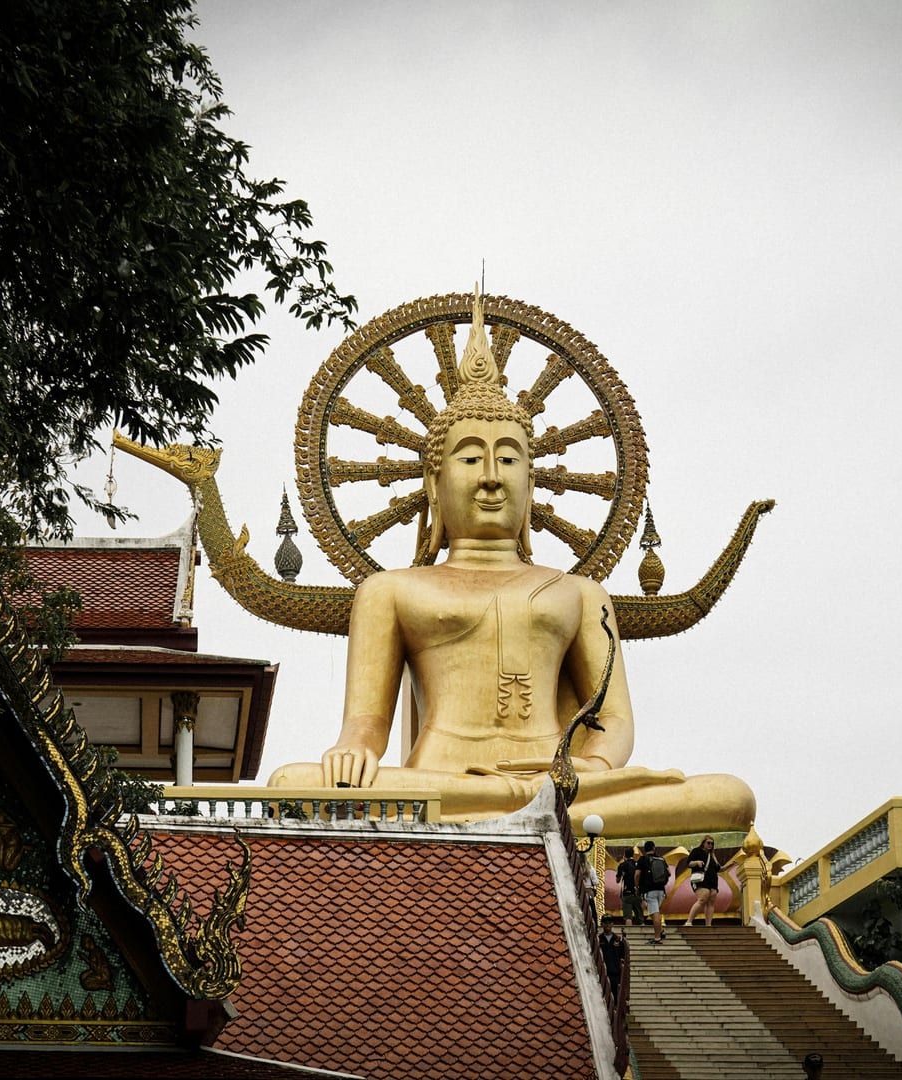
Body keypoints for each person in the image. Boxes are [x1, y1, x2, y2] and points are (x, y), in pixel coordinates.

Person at [266, 288, 756, 837]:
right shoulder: (391, 591)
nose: (491, 475)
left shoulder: (579, 593)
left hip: (563, 785)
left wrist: (591, 768)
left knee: (731, 797)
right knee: (292, 784)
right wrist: (353, 749)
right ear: (434, 481)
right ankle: (516, 811)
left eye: (509, 458)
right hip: (443, 781)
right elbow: (366, 721)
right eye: (471, 457)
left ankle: (527, 809)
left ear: (531, 479)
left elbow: (613, 720)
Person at [683, 835, 723, 927]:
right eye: (708, 843)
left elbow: (719, 869)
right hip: (701, 879)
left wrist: (730, 865)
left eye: (712, 844)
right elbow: (689, 863)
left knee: (711, 901)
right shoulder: (697, 851)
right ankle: (689, 921)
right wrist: (697, 862)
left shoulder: (712, 855)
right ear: (703, 843)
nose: (710, 845)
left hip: (712, 881)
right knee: (702, 898)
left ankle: (708, 924)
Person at [639, 840, 669, 944]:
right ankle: (661, 931)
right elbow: (668, 872)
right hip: (661, 890)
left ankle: (657, 938)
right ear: (654, 848)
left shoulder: (643, 859)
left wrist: (637, 885)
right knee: (653, 912)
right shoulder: (661, 859)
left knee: (655, 913)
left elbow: (637, 874)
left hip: (650, 890)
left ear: (645, 849)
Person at [616, 846, 643, 926]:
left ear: (624, 855)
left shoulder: (622, 865)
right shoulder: (638, 864)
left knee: (628, 917)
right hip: (637, 893)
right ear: (633, 855)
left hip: (627, 894)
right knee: (640, 917)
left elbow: (618, 880)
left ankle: (629, 936)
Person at [598, 923, 624, 993]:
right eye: (605, 922)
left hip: (615, 973)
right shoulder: (598, 939)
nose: (607, 924)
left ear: (612, 924)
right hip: (602, 973)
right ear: (602, 924)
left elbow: (622, 956)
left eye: (609, 922)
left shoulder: (617, 939)